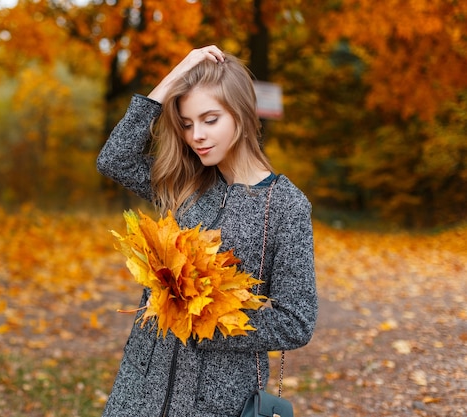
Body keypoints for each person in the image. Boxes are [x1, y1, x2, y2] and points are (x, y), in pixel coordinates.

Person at [97, 45, 318, 417]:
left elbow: (296, 321)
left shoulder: (285, 205)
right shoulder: (183, 183)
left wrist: (203, 318)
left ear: (242, 115)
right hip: (140, 392)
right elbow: (114, 158)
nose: (196, 135)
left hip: (217, 402)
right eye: (186, 123)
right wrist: (175, 75)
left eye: (210, 119)